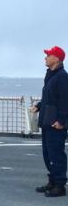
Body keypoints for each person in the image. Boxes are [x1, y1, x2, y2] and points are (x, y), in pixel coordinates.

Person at [32, 46, 68, 197]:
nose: (45, 58)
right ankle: (52, 180)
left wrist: (62, 121)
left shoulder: (62, 77)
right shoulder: (51, 75)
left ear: (57, 58)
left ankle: (60, 185)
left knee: (56, 154)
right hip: (47, 121)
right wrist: (39, 106)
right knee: (48, 154)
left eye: (48, 55)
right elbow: (50, 97)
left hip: (55, 123)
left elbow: (65, 100)